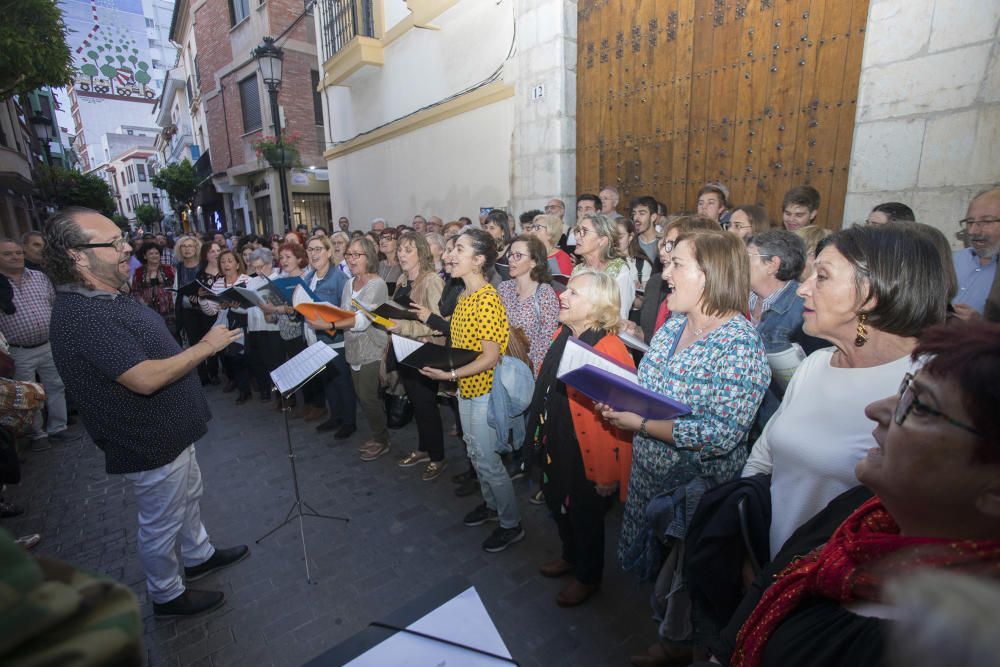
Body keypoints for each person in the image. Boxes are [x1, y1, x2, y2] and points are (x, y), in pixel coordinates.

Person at [714, 320, 1000, 667]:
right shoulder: (860, 512)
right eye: (905, 389)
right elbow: (773, 578)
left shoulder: (954, 644)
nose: (876, 410)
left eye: (921, 406)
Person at [44, 207, 249, 618]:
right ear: (77, 256)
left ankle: (199, 555)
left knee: (188, 497)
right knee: (161, 522)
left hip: (170, 430)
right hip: (148, 437)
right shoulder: (83, 314)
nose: (128, 249)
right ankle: (166, 594)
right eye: (115, 243)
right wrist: (207, 347)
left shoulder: (103, 295)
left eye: (123, 239)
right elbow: (142, 378)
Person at [743, 223, 948, 558]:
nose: (801, 289)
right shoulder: (817, 364)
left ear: (871, 294)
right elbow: (763, 457)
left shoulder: (933, 383)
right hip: (774, 570)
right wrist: (746, 539)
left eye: (821, 276)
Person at [598, 231, 770, 574]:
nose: (665, 274)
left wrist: (641, 424)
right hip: (648, 475)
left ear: (711, 272)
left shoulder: (739, 345)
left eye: (677, 264)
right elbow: (650, 387)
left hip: (693, 492)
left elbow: (722, 434)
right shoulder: (674, 325)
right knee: (650, 568)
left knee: (682, 582)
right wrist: (619, 400)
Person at [527, 270, 635, 606]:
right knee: (557, 503)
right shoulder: (565, 333)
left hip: (588, 452)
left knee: (586, 517)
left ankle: (588, 576)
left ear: (597, 307)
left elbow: (619, 422)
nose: (563, 296)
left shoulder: (610, 348)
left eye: (574, 293)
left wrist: (607, 474)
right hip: (556, 439)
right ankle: (569, 556)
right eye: (567, 291)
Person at [418, 228, 524, 553]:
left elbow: (490, 357)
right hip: (466, 387)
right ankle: (492, 507)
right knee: (476, 454)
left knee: (489, 461)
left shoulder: (488, 300)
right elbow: (463, 343)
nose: (450, 255)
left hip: (484, 391)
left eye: (459, 250)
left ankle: (511, 524)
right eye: (452, 250)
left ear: (478, 260)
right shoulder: (465, 294)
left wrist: (449, 372)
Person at [0, 238, 75, 451]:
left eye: (18, 253)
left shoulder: (40, 278)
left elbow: (52, 303)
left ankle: (58, 428)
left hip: (48, 344)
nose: (15, 257)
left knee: (56, 386)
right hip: (18, 350)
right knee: (28, 393)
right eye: (7, 254)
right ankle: (37, 433)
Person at [390, 232, 448, 480]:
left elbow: (438, 323)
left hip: (424, 352)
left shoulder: (432, 280)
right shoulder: (402, 279)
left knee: (426, 406)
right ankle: (424, 449)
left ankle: (438, 457)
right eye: (400, 249)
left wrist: (403, 327)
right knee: (416, 403)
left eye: (408, 250)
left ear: (421, 253)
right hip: (404, 349)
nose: (402, 254)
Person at [335, 237, 390, 461]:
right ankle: (378, 435)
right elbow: (343, 312)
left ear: (369, 257)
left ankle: (382, 440)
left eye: (357, 255)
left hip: (372, 348)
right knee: (361, 395)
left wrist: (329, 323)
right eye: (349, 255)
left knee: (368, 397)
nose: (351, 259)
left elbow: (360, 322)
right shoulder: (349, 283)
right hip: (353, 348)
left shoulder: (377, 285)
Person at [301, 235, 355, 435]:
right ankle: (335, 417)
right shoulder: (308, 277)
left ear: (329, 252)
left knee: (341, 381)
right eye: (310, 250)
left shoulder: (340, 278)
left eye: (318, 249)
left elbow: (347, 312)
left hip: (335, 339)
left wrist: (328, 321)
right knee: (327, 380)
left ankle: (349, 422)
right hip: (314, 338)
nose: (313, 254)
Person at [497, 234, 560, 375]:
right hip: (502, 367)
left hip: (529, 372)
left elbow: (546, 343)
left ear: (533, 262)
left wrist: (532, 376)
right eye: (510, 254)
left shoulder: (544, 293)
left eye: (518, 255)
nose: (511, 260)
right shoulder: (503, 288)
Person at [199, 249, 252, 404]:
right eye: (223, 261)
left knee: (242, 356)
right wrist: (203, 300)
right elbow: (211, 311)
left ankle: (248, 388)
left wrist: (235, 306)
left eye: (230, 261)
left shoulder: (246, 280)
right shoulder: (218, 283)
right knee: (231, 357)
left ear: (237, 264)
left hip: (244, 324)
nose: (226, 264)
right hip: (225, 324)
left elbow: (253, 306)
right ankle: (241, 387)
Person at [572, 212, 634, 320]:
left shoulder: (619, 269)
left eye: (584, 232)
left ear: (602, 240)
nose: (577, 237)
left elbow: (620, 317)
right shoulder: (578, 269)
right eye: (578, 231)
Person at [953, 187, 999, 318]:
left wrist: (981, 325)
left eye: (986, 221)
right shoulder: (951, 260)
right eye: (970, 222)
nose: (973, 231)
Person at [245, 248, 283, 403]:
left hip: (273, 328)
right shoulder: (252, 281)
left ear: (270, 263)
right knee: (259, 361)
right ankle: (265, 390)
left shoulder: (278, 279)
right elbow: (247, 304)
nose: (258, 271)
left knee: (276, 362)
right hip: (255, 327)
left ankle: (283, 395)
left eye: (261, 267)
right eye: (255, 267)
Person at [131, 242, 176, 335]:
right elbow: (135, 291)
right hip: (149, 313)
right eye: (151, 254)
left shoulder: (169, 269)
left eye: (157, 253)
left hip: (169, 313)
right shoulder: (139, 272)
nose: (154, 256)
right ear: (145, 256)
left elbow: (176, 287)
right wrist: (142, 303)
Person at [630, 196, 661, 263]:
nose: (636, 218)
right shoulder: (630, 242)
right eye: (634, 213)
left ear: (653, 217)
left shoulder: (663, 243)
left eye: (642, 213)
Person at [483, 210, 514, 279]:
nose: (487, 231)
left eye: (492, 228)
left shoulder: (512, 250)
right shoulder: (486, 249)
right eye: (486, 227)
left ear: (503, 231)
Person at [377, 227, 401, 294]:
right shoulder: (379, 265)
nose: (382, 241)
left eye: (388, 238)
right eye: (381, 238)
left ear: (398, 242)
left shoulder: (402, 267)